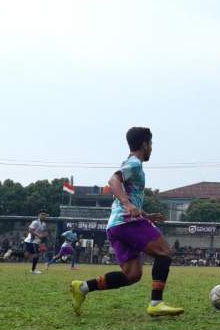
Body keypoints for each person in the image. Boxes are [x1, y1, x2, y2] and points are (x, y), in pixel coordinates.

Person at [70, 127, 183, 317]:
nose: (152, 149)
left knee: (132, 275)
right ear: (145, 144)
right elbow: (113, 180)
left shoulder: (131, 164)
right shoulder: (135, 164)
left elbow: (128, 194)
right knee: (164, 253)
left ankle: (82, 288)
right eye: (151, 144)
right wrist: (127, 204)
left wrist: (145, 215)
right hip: (127, 222)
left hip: (115, 226)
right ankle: (156, 303)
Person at [24, 210, 49, 274]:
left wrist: (44, 235)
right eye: (42, 214)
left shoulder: (44, 224)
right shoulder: (35, 222)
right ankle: (33, 270)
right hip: (31, 241)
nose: (43, 216)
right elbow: (30, 230)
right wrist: (39, 235)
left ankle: (12, 252)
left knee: (26, 255)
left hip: (35, 241)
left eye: (44, 215)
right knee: (37, 254)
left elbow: (42, 232)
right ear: (39, 215)